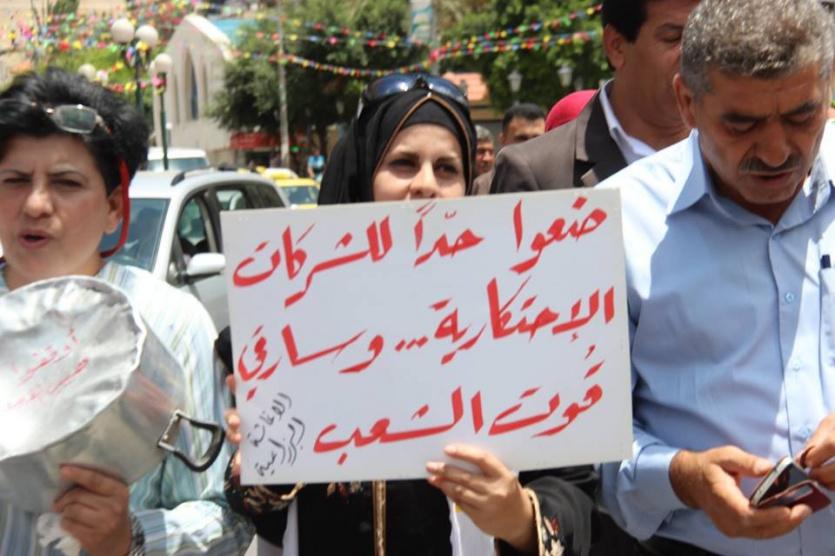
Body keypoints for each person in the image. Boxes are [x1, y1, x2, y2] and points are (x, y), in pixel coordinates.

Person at [224, 73, 599, 556]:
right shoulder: (294, 326)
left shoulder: (520, 317)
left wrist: (520, 518)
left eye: (447, 169)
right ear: (363, 174)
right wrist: (267, 453)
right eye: (403, 163)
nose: (425, 185)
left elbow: (573, 488)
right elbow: (256, 510)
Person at [598, 1, 835, 554]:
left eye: (801, 117)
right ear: (688, 102)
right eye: (741, 124)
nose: (776, 151)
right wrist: (681, 476)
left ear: (827, 88)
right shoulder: (616, 223)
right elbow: (588, 449)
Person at [0, 68, 252, 555]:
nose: (36, 203)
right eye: (14, 180)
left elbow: (228, 517)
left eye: (66, 182)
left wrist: (129, 537)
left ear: (114, 207)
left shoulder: (168, 322)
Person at [491, 0, 698, 194]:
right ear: (616, 46)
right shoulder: (533, 171)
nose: (696, 54)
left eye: (703, 38)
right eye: (673, 38)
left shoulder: (717, 153)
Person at [473, 103, 545, 195]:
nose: (530, 145)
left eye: (537, 138)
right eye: (521, 138)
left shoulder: (557, 181)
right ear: (503, 140)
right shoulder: (483, 186)